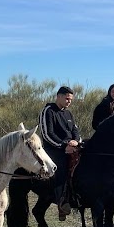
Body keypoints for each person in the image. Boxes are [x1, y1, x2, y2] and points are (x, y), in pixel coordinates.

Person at [39, 86, 83, 219]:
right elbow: (47, 134)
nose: (69, 101)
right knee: (61, 167)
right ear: (59, 96)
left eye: (71, 99)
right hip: (54, 149)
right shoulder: (48, 111)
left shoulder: (68, 114)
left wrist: (76, 141)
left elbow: (75, 130)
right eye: (67, 98)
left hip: (71, 147)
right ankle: (62, 202)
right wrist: (64, 146)